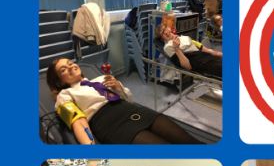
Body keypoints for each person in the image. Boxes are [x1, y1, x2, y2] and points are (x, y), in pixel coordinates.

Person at [47, 58, 202, 144]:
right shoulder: (64, 95)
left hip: (132, 110)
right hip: (111, 124)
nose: (70, 66)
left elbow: (129, 99)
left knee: (188, 141)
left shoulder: (101, 78)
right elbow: (78, 122)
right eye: (63, 69)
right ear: (59, 81)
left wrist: (119, 88)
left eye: (70, 63)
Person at [156, 24, 222, 78]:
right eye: (162, 32)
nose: (166, 32)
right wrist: (177, 49)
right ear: (161, 38)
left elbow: (200, 46)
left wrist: (213, 52)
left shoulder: (182, 37)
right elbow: (187, 67)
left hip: (206, 56)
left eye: (165, 29)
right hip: (199, 62)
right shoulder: (168, 46)